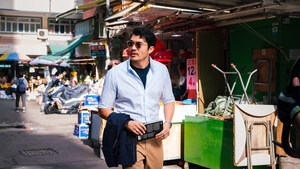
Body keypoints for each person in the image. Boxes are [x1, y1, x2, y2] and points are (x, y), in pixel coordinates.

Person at [98, 27, 175, 168]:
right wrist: (127, 123)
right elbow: (103, 109)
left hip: (154, 138)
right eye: (130, 44)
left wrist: (168, 123)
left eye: (138, 45)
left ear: (150, 49)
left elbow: (169, 100)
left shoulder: (161, 70)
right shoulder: (115, 74)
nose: (133, 48)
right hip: (129, 139)